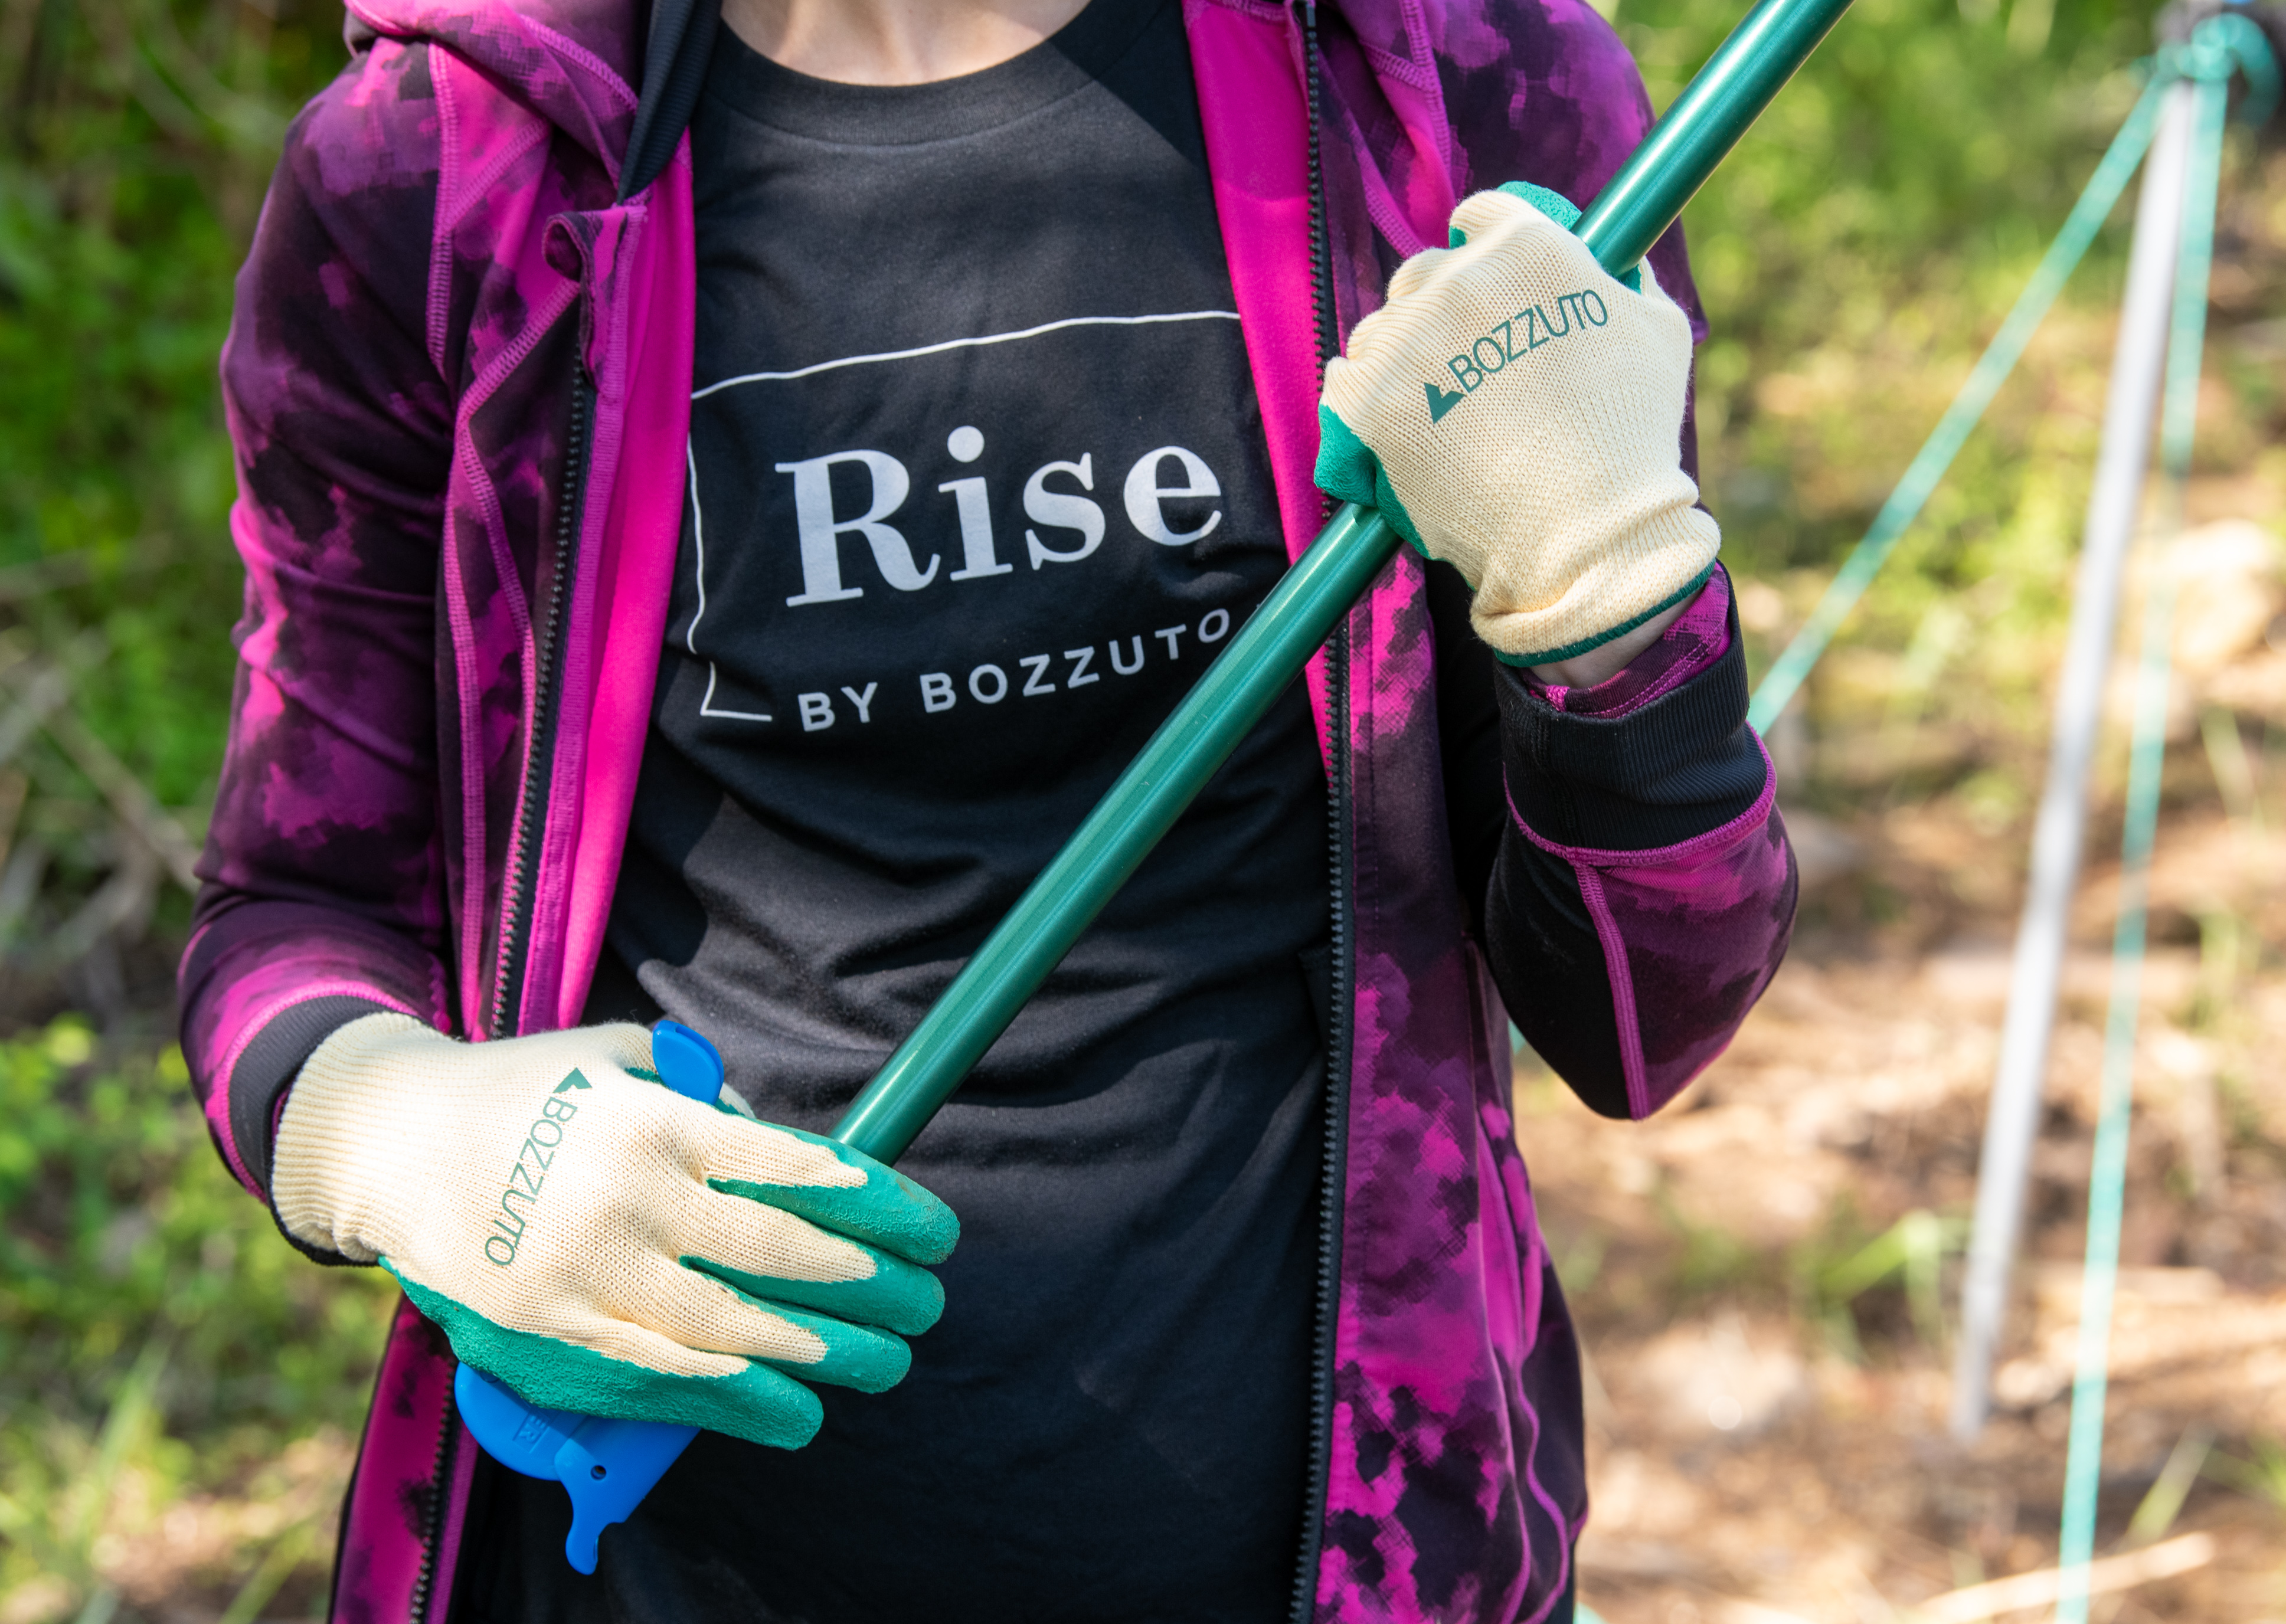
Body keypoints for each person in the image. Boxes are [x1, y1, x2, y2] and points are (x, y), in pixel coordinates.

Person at [181, 0, 1797, 1615]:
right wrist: (381, 1127)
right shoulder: (447, 179)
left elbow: (1647, 1019)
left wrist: (1611, 608)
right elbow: (294, 905)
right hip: (658, 1563)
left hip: (1358, 1560)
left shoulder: (1445, 84)